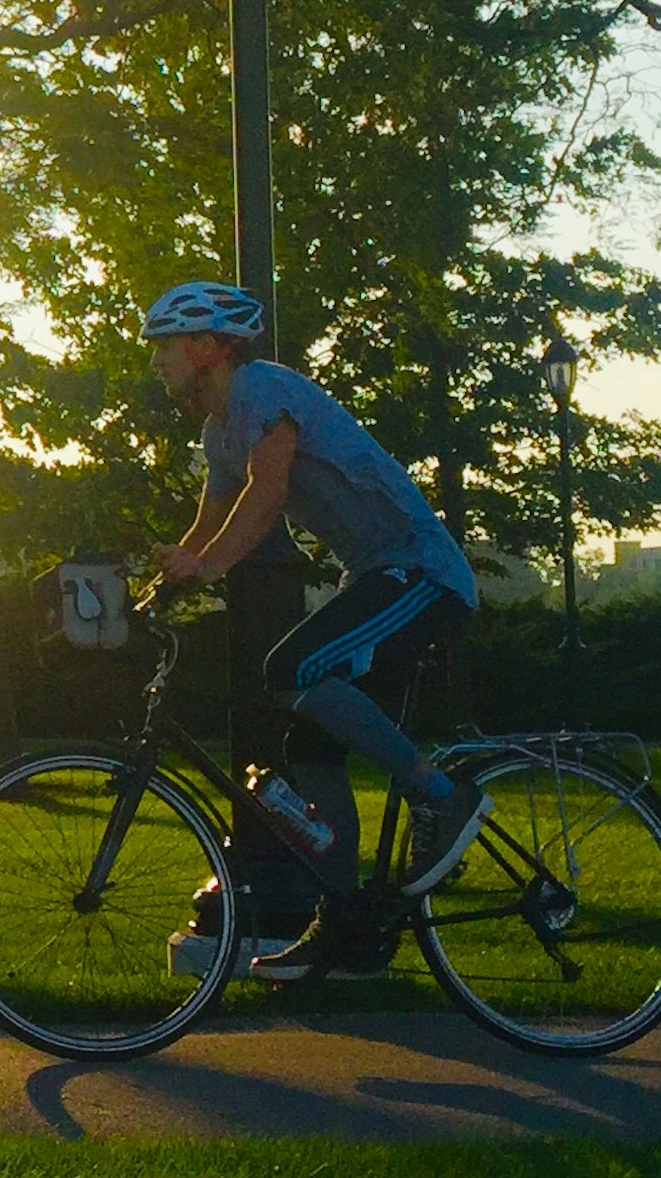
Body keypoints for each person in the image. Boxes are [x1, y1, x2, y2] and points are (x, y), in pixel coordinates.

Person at [143, 279, 490, 976]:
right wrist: (172, 576)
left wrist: (209, 570)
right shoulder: (218, 432)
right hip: (374, 578)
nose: (155, 362)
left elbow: (265, 493)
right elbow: (213, 515)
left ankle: (442, 798)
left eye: (164, 346)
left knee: (290, 668)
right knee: (309, 746)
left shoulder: (265, 389)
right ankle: (347, 924)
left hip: (420, 573)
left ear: (207, 347)